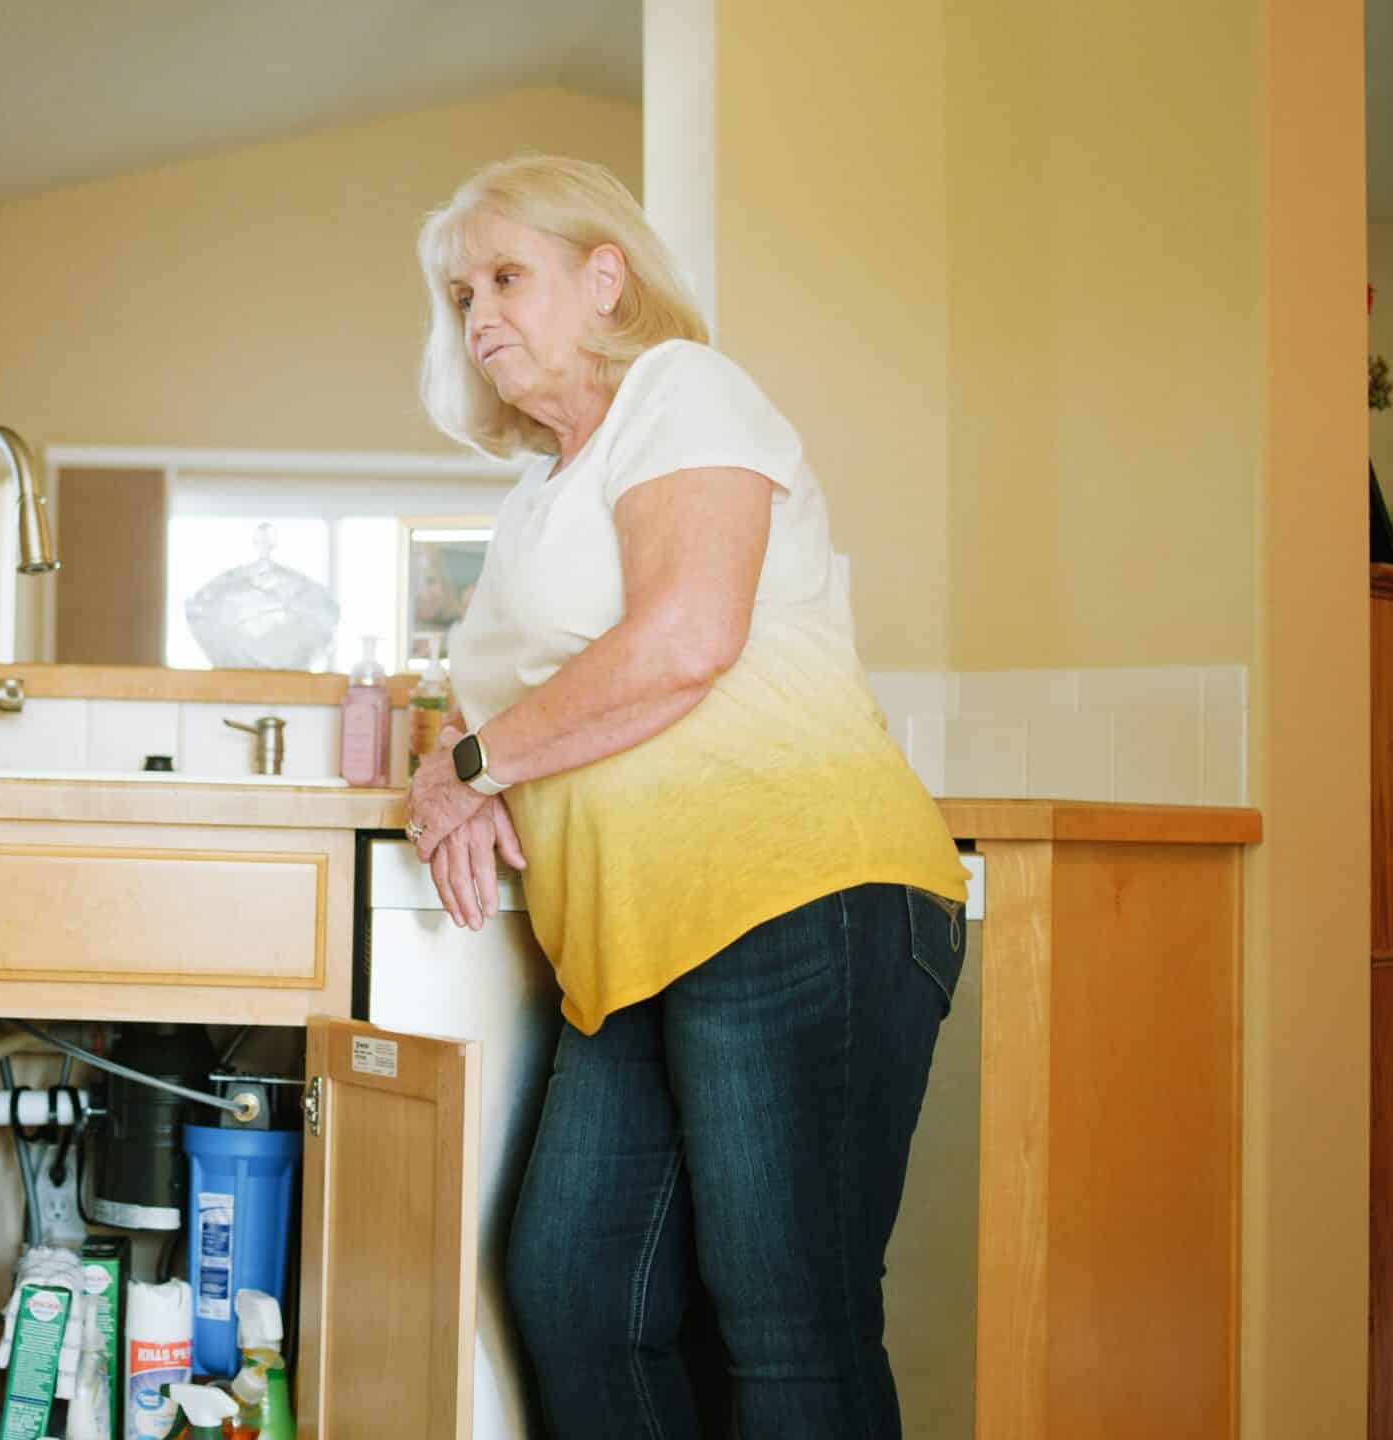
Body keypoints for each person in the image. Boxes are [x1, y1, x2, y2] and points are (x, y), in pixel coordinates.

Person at [400, 155, 970, 1439]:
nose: (477, 313)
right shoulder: (538, 490)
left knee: (786, 1331)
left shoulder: (685, 394)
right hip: (635, 941)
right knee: (574, 1295)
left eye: (505, 276)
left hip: (792, 894)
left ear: (603, 277)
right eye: (458, 292)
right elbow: (508, 699)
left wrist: (476, 766)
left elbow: (681, 641)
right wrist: (470, 763)